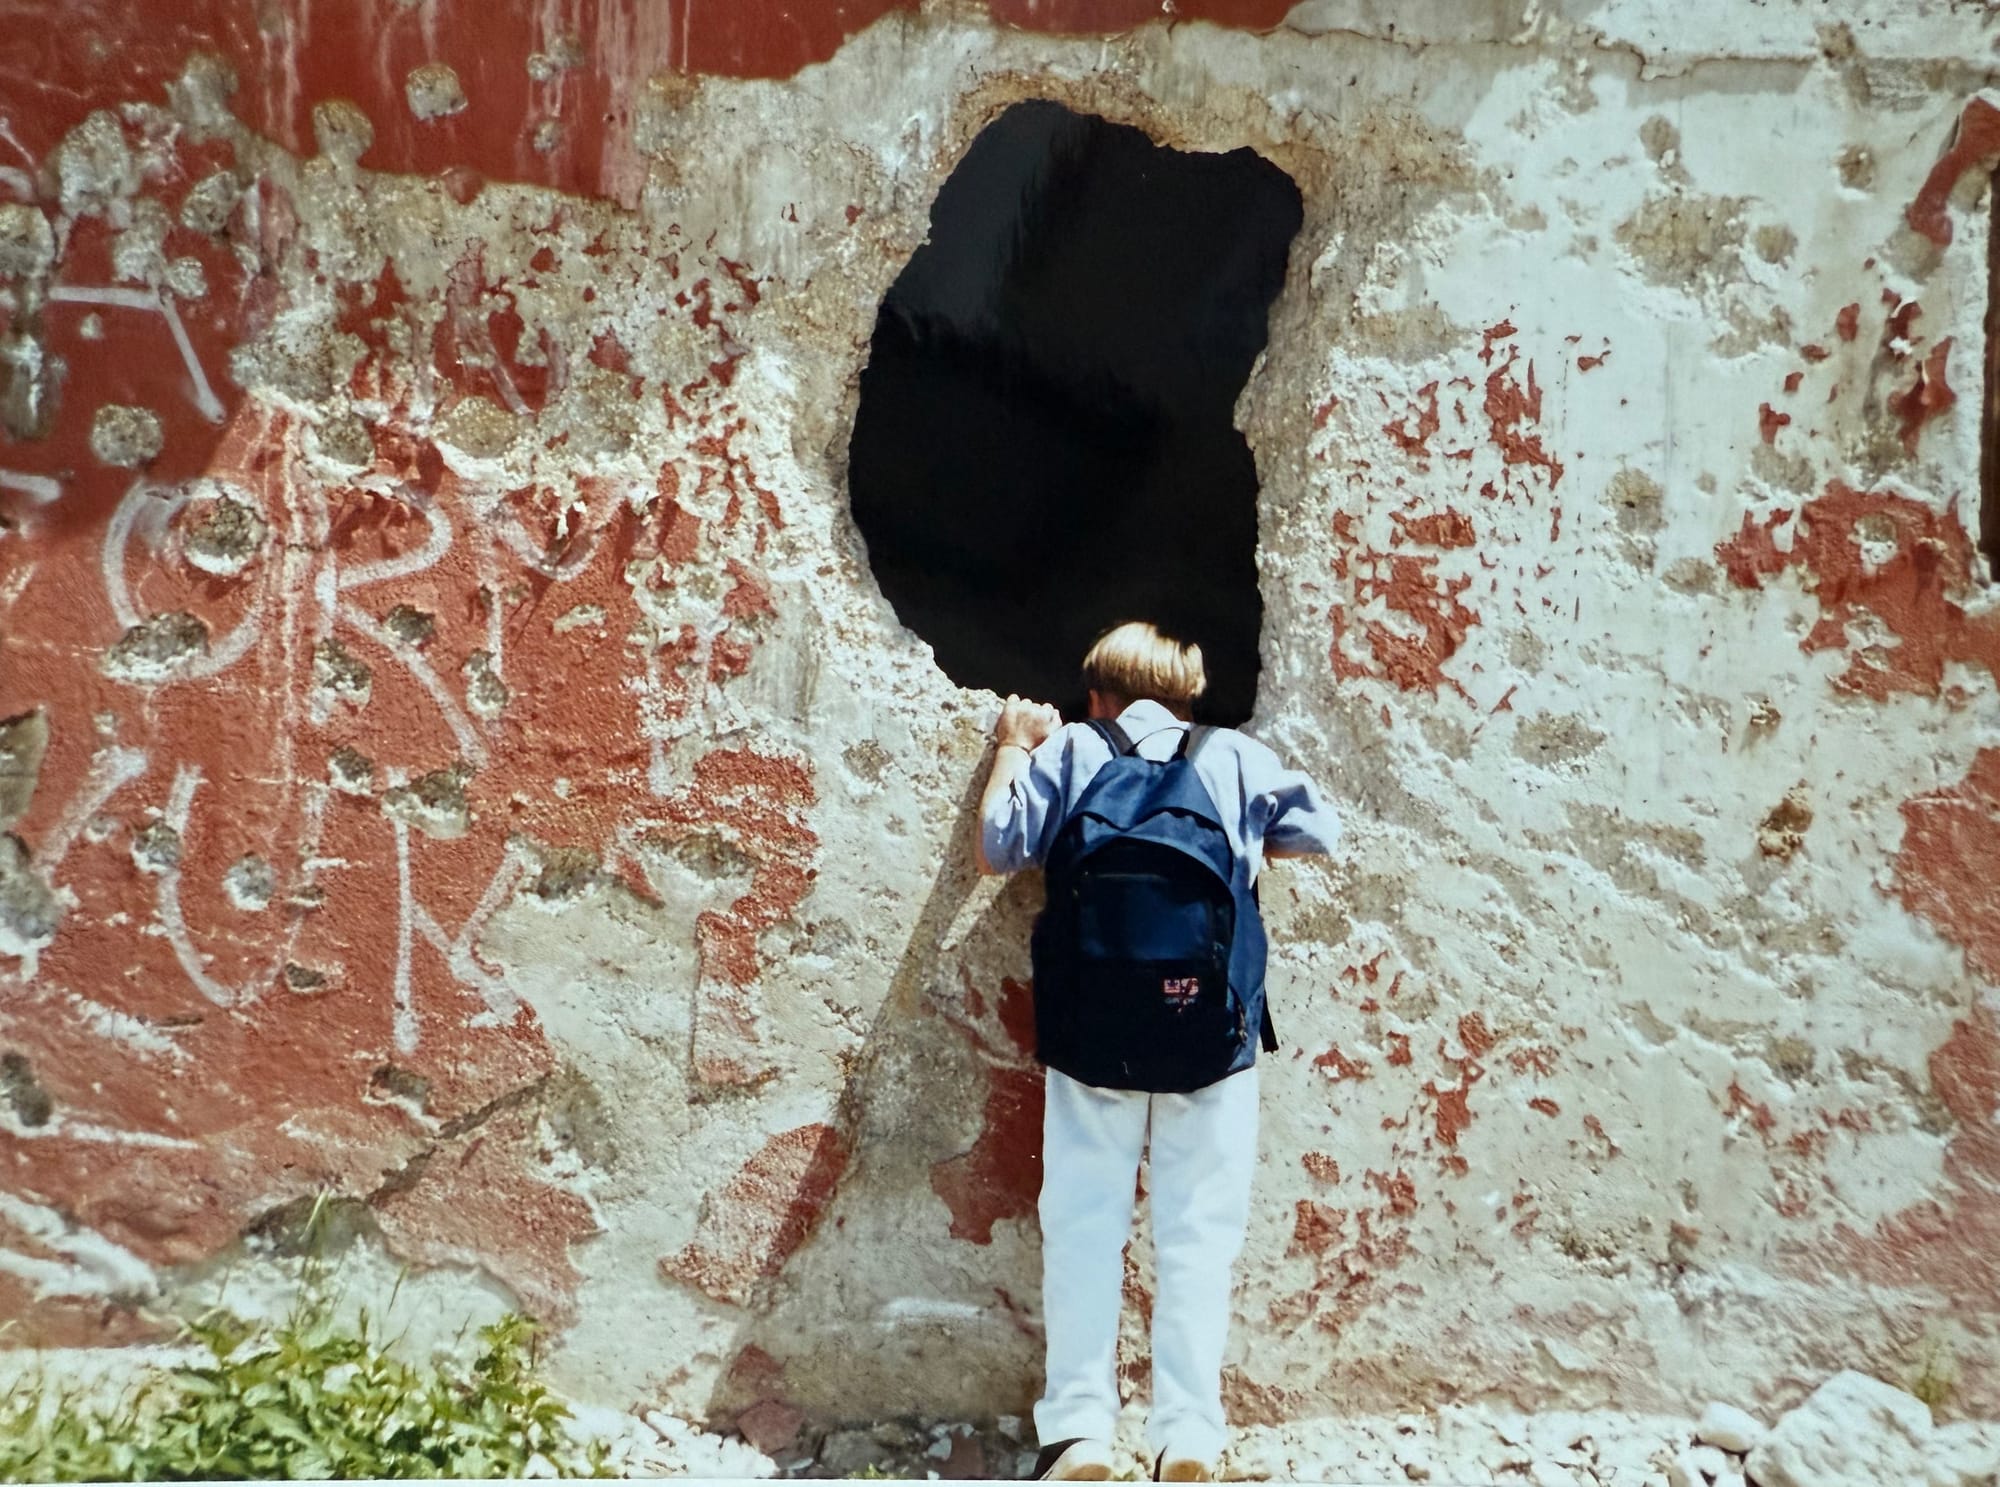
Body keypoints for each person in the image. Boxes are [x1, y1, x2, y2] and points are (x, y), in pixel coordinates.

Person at [976, 622, 1342, 1483]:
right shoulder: (1234, 756)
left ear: (1097, 695)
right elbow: (1318, 831)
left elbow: (998, 846)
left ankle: (1079, 1431)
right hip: (1209, 1035)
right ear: (1188, 698)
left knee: (1083, 1227)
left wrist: (1012, 744)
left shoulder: (1073, 750)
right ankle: (1188, 1434)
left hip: (1092, 1035)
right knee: (1198, 1235)